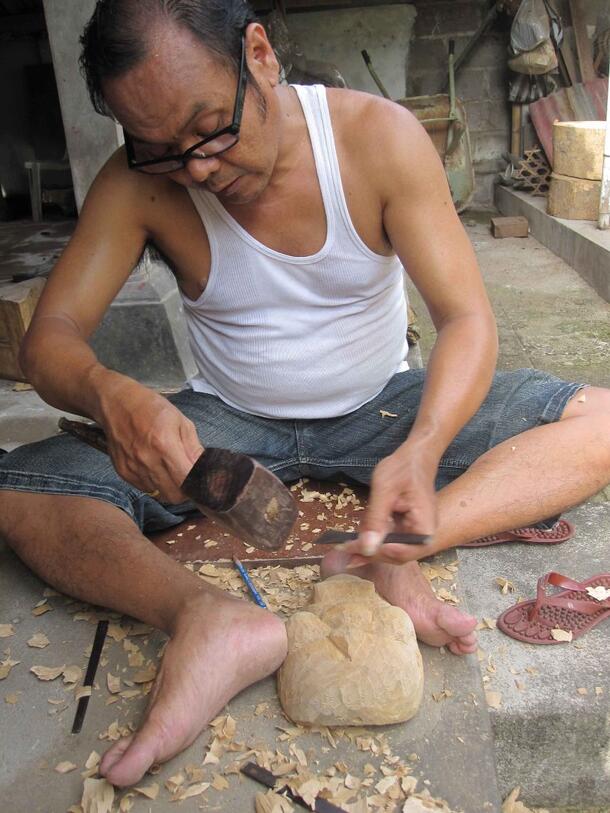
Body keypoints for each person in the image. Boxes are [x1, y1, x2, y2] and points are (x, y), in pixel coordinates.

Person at [0, 0, 608, 789]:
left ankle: (392, 544)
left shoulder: (376, 139)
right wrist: (110, 394)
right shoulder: (137, 184)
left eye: (211, 128)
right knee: (24, 489)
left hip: (381, 407)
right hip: (225, 423)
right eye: (160, 149)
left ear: (258, 55)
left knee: (601, 419)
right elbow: (49, 339)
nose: (198, 169)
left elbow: (465, 320)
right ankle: (206, 616)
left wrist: (423, 449)